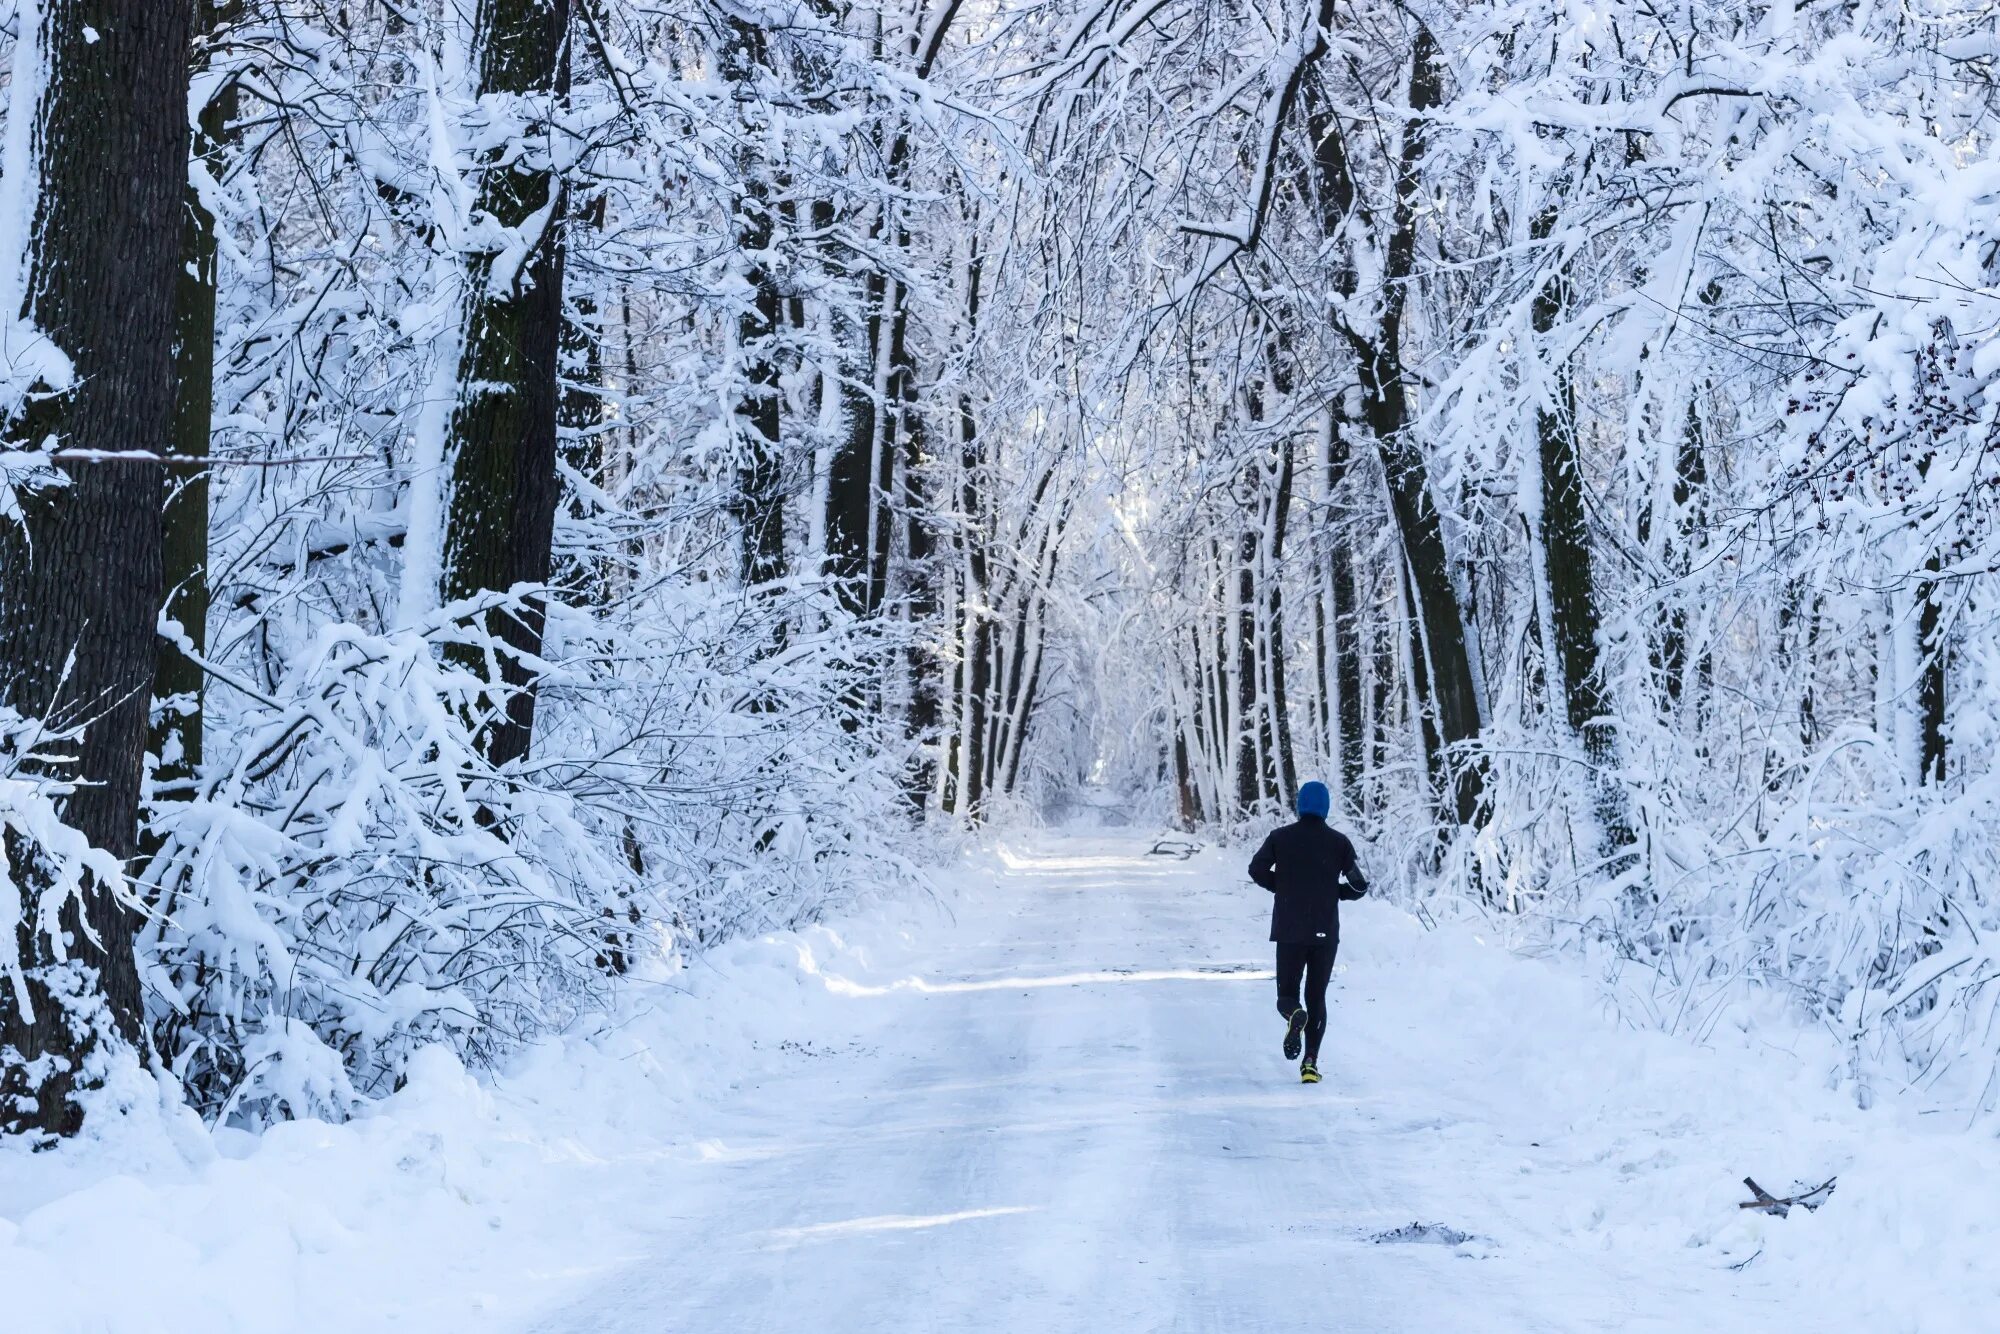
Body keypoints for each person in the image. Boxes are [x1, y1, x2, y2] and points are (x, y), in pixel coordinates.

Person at [1247, 781, 1367, 1084]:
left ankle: (1293, 1014)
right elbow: (1359, 885)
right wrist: (1333, 892)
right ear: (1325, 807)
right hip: (1325, 932)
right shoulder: (1338, 843)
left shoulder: (1280, 838)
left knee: (1287, 994)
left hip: (1289, 929)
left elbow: (1256, 869)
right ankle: (1310, 1064)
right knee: (1317, 997)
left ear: (1299, 805)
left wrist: (1282, 887)